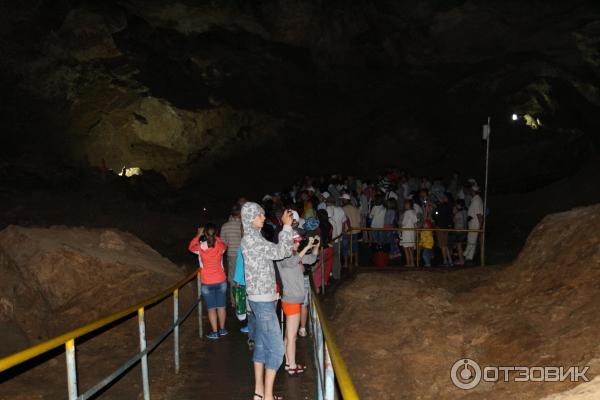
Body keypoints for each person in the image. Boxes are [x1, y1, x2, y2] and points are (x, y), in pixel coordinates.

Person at [241, 202, 294, 400]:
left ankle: (259, 393)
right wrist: (287, 226)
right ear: (251, 218)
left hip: (259, 298)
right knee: (278, 349)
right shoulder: (254, 240)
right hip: (262, 300)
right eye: (260, 215)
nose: (264, 218)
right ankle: (268, 396)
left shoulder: (252, 238)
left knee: (262, 345)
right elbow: (282, 252)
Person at [277, 233, 319, 376]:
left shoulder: (295, 254)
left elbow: (312, 259)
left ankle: (288, 362)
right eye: (295, 242)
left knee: (289, 336)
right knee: (292, 336)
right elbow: (292, 262)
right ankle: (292, 365)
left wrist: (315, 248)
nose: (297, 244)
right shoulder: (283, 256)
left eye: (298, 242)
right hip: (291, 300)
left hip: (293, 299)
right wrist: (306, 247)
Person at [188, 224, 228, 339]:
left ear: (205, 233)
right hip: (221, 280)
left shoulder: (201, 247)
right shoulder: (220, 246)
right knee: (221, 307)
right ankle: (223, 329)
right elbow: (225, 245)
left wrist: (198, 235)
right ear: (216, 233)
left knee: (211, 308)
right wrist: (216, 237)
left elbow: (190, 247)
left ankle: (215, 332)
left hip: (207, 282)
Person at [221, 204, 243, 306]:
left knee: (232, 278)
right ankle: (245, 300)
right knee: (244, 277)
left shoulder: (225, 226)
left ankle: (234, 301)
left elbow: (222, 244)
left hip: (231, 255)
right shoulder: (243, 225)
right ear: (239, 214)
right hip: (244, 254)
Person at [326, 196, 347, 280]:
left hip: (330, 238)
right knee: (336, 257)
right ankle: (336, 274)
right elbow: (344, 222)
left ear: (328, 203)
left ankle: (330, 274)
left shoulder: (327, 209)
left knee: (329, 257)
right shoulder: (341, 210)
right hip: (338, 237)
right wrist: (341, 232)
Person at [314, 209, 333, 293]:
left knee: (319, 268)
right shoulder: (330, 225)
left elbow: (319, 238)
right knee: (327, 267)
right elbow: (330, 237)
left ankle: (317, 286)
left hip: (322, 248)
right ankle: (324, 282)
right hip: (329, 248)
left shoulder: (318, 226)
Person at [341, 193, 360, 273]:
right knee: (355, 246)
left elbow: (342, 220)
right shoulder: (355, 208)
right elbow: (359, 220)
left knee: (345, 247)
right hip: (355, 230)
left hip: (346, 230)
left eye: (342, 199)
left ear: (345, 200)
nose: (341, 201)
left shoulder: (343, 209)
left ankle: (345, 263)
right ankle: (356, 262)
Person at [464, 185, 484, 264]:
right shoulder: (476, 199)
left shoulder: (476, 200)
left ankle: (467, 256)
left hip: (475, 223)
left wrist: (480, 226)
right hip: (473, 222)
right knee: (471, 239)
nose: (470, 191)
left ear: (473, 191)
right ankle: (468, 257)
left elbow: (479, 214)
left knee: (472, 240)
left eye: (471, 190)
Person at [434, 194, 454, 266]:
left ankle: (445, 261)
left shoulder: (443, 206)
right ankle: (450, 261)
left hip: (441, 227)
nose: (442, 198)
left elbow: (436, 215)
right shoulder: (449, 206)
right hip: (446, 227)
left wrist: (438, 204)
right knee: (445, 245)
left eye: (444, 197)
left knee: (443, 245)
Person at [400, 199, 418, 267]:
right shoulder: (413, 212)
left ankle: (408, 263)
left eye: (406, 204)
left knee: (406, 248)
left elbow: (404, 223)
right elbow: (415, 221)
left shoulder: (407, 212)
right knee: (410, 248)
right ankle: (412, 263)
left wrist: (400, 226)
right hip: (411, 232)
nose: (405, 205)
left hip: (407, 232)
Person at [451, 199, 468, 266]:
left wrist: (454, 213)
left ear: (458, 205)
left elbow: (454, 221)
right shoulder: (465, 211)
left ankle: (461, 261)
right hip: (464, 230)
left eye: (456, 204)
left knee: (459, 246)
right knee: (459, 245)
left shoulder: (458, 213)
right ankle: (461, 259)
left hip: (459, 231)